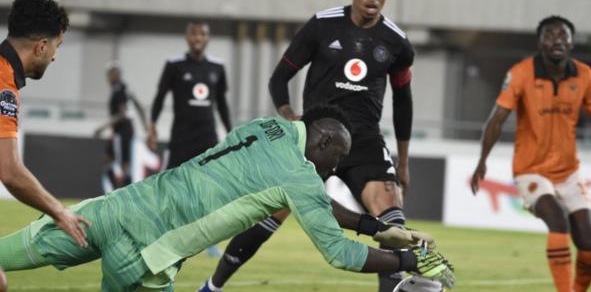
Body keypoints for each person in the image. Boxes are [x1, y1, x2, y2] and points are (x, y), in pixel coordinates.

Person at [0, 105, 455, 291]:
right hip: (146, 251)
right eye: (337, 159)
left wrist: (376, 227)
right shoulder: (299, 177)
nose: (335, 170)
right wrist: (408, 264)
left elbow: (315, 200)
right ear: (321, 146)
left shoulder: (266, 127)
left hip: (110, 210)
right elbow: (338, 254)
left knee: (6, 254)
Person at [201, 0, 417, 292]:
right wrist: (291, 118)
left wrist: (403, 160)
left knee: (391, 214)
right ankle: (212, 286)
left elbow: (403, 102)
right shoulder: (321, 26)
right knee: (270, 213)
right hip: (317, 141)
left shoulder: (397, 44)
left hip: (364, 141)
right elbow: (279, 78)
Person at [470, 16, 591, 292]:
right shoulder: (520, 73)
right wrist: (482, 161)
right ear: (539, 43)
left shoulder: (585, 75)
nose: (557, 40)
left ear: (571, 42)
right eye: (550, 35)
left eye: (563, 35)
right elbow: (496, 120)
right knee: (557, 221)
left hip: (568, 171)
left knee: (590, 247)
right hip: (531, 169)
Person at [0, 0, 91, 290]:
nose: (54, 56)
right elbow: (11, 172)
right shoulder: (3, 84)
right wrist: (60, 211)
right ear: (41, 46)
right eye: (56, 46)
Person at [148, 21, 232, 257]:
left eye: (203, 34)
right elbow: (160, 97)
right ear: (187, 37)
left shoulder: (217, 67)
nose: (198, 38)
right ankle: (162, 232)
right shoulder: (174, 65)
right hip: (181, 136)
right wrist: (152, 125)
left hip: (208, 137)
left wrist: (231, 131)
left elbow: (222, 104)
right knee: (172, 185)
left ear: (208, 38)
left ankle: (209, 240)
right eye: (194, 34)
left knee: (209, 189)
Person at [95, 65, 148, 191]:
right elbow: (139, 105)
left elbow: (122, 113)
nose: (107, 77)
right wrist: (145, 124)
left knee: (123, 164)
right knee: (110, 158)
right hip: (122, 130)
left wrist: (103, 127)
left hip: (122, 130)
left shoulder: (119, 88)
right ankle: (113, 190)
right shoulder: (124, 88)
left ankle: (122, 191)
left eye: (109, 74)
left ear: (115, 74)